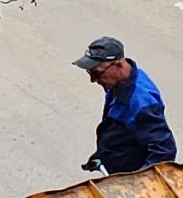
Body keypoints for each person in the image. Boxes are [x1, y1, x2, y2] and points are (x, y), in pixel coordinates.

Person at [74, 36, 177, 175]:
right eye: (90, 72)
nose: (93, 80)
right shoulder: (119, 81)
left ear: (118, 64)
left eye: (97, 73)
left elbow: (164, 152)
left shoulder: (142, 104)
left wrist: (136, 184)